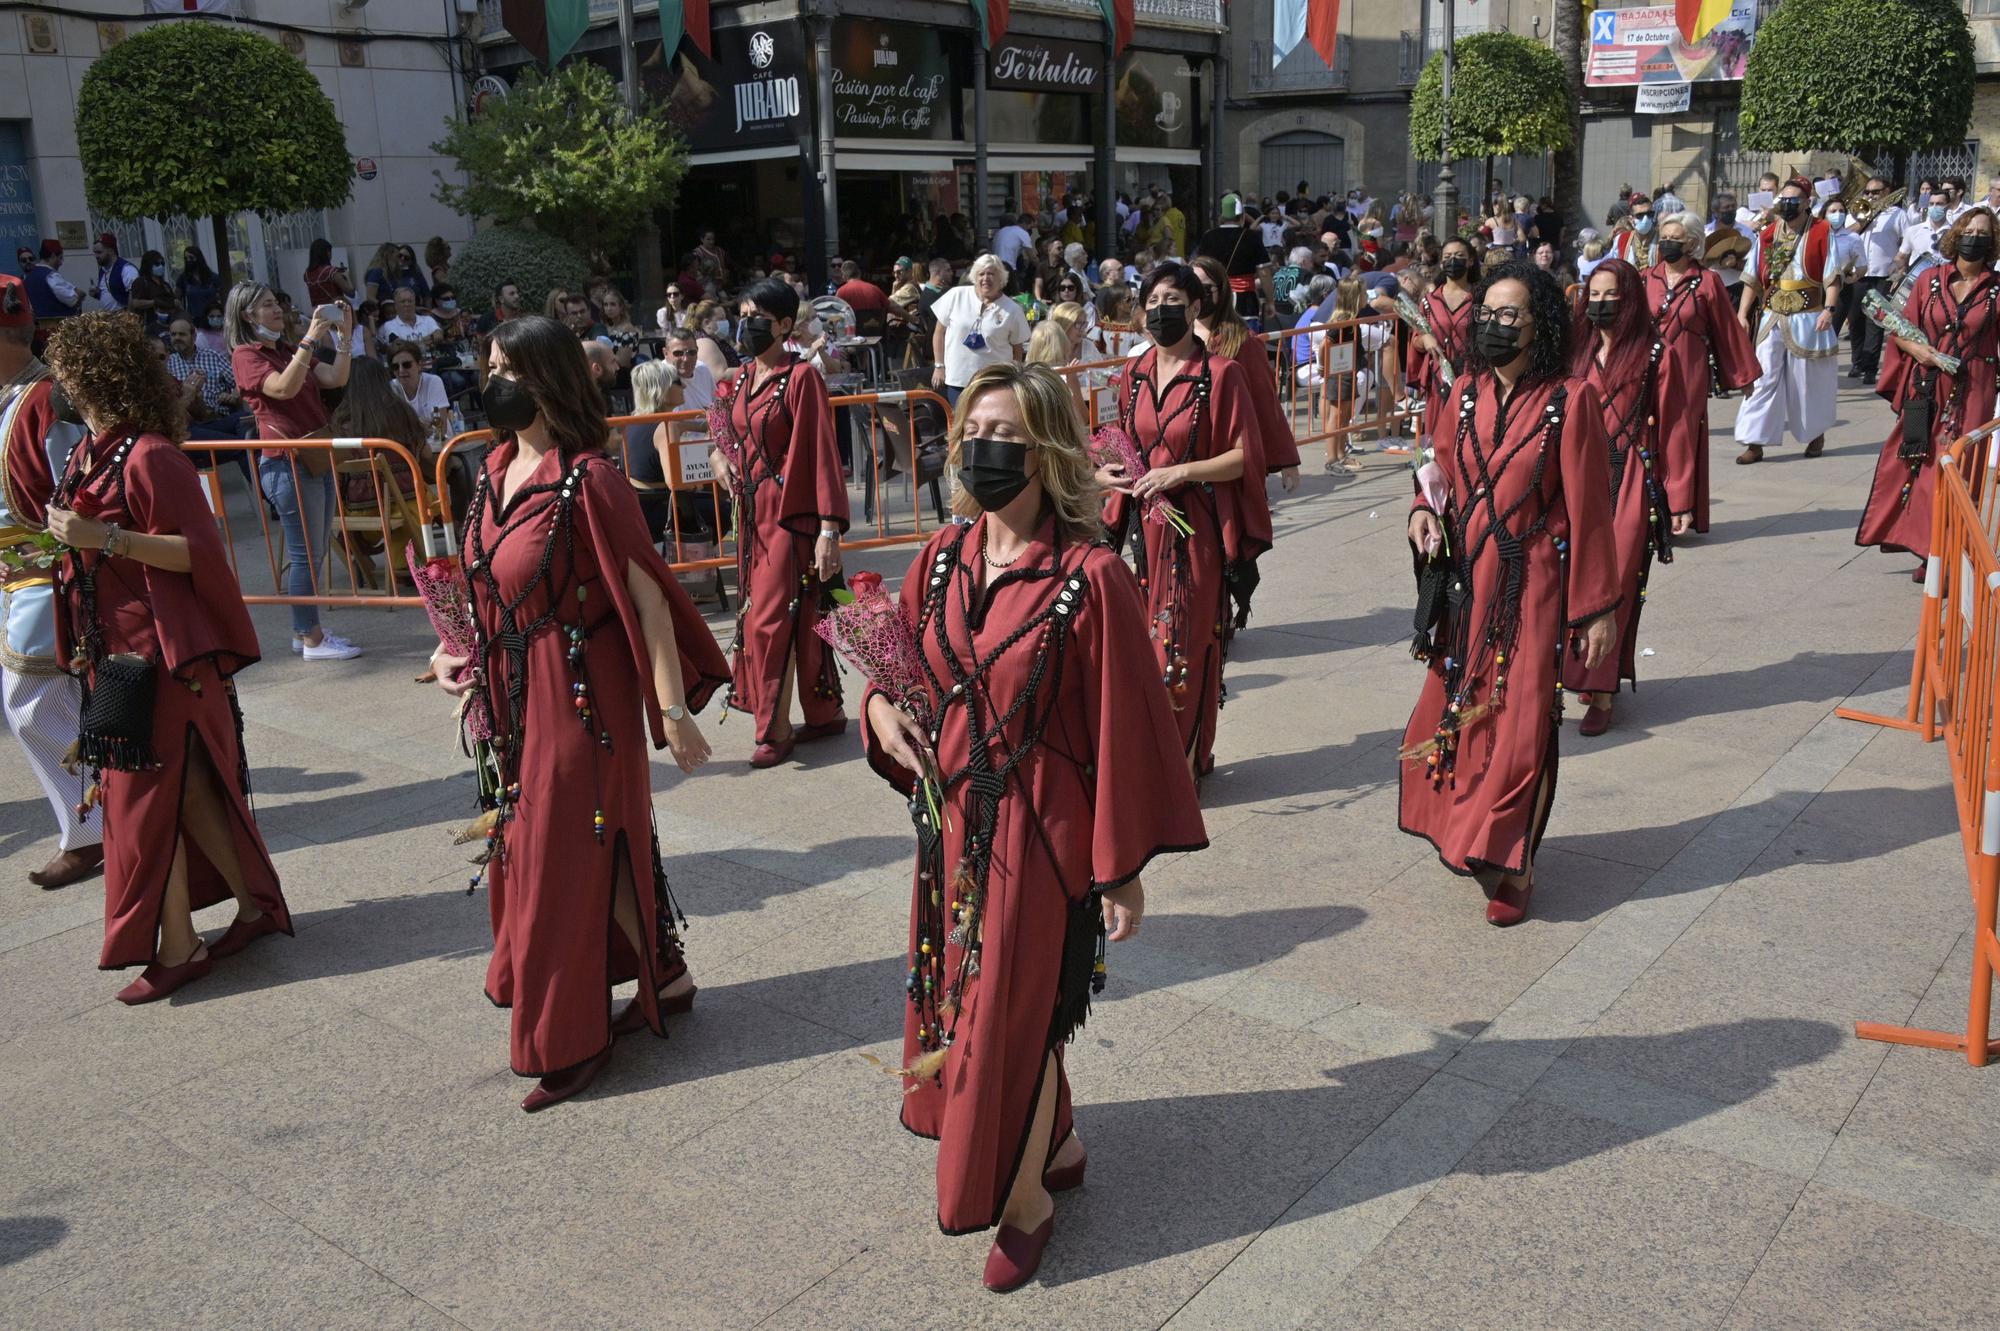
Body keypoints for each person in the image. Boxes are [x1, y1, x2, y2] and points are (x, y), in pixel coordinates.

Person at [862, 360, 1205, 1291]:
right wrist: (882, 711)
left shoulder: (1092, 577)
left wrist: (1122, 868)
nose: (986, 448)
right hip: (950, 827)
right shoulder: (939, 559)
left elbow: (1128, 728)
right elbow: (904, 676)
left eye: (1009, 434)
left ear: (1049, 448)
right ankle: (1057, 1142)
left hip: (1039, 839)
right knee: (977, 1000)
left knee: (1000, 1020)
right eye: (976, 429)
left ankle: (1024, 1200)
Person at [428, 315, 726, 1111]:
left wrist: (671, 709)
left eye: (511, 369)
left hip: (580, 694)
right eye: (490, 364)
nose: (494, 379)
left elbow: (650, 602)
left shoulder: (589, 479)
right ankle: (665, 974)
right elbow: (486, 583)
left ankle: (570, 1033)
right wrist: (456, 650)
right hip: (512, 690)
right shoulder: (491, 468)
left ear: (550, 380)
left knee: (557, 854)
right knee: (561, 843)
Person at [42, 312, 290, 1002]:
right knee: (185, 790)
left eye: (63, 373)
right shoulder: (84, 452)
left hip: (159, 655)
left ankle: (179, 945)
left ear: (91, 376)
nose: (55, 386)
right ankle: (250, 907)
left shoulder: (151, 454)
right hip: (110, 648)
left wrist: (104, 538)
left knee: (150, 797)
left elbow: (198, 553)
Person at [1402, 262, 1619, 925]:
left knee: (1524, 725)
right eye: (1488, 313)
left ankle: (1516, 861)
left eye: (1511, 315)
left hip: (1533, 585)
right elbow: (1436, 470)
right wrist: (1420, 509)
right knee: (1461, 714)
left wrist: (1597, 608)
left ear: (1542, 324)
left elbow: (1590, 511)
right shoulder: (1462, 391)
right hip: (1467, 582)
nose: (1495, 324)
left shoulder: (1571, 399)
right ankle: (1472, 833)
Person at [1104, 262, 1259, 781]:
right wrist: (1112, 471)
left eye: (1172, 300)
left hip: (1196, 527)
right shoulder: (1135, 371)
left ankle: (1182, 768)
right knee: (1148, 648)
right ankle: (1161, 761)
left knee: (1184, 646)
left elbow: (1243, 456)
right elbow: (1123, 439)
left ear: (1196, 307)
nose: (1160, 310)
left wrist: (1181, 472)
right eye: (1151, 302)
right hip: (1144, 529)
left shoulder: (1221, 373)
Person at [708, 278, 850, 767]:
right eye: (742, 314)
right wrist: (718, 457)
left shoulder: (801, 377)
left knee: (769, 620)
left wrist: (829, 529)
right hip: (751, 514)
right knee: (789, 612)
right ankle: (824, 711)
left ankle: (773, 727)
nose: (746, 325)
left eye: (758, 318)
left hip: (790, 514)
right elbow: (726, 434)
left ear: (785, 324)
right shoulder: (743, 377)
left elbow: (822, 453)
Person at [0, 274, 104, 889]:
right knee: (48, 703)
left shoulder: (46, 398)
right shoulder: (14, 395)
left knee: (32, 703)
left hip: (45, 571)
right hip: (16, 573)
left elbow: (77, 493)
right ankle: (97, 819)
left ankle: (94, 826)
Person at [1562, 259, 1674, 736]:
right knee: (1569, 577)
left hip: (1629, 476)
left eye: (1612, 296)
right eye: (1595, 294)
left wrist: (1677, 496)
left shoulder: (1654, 353)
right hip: (1578, 477)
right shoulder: (1576, 350)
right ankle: (1569, 674)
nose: (1602, 304)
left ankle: (1602, 691)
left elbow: (1676, 424)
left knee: (1616, 583)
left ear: (1630, 300)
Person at [1856, 208, 2000, 573]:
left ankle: (1950, 550)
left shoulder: (1997, 289)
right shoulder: (1928, 278)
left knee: (1962, 471)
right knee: (1922, 466)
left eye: (1983, 232)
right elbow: (1901, 329)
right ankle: (1928, 549)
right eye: (1969, 229)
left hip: (1975, 388)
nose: (1974, 237)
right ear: (1956, 235)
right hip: (1927, 385)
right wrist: (1922, 351)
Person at [226, 281, 364, 660]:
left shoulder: (287, 349)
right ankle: (312, 640)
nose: (277, 310)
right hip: (285, 464)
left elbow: (336, 377)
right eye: (267, 305)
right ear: (246, 314)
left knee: (315, 551)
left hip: (312, 457)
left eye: (276, 303)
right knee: (305, 554)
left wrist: (345, 338)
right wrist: (310, 339)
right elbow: (283, 389)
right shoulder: (246, 355)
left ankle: (303, 629)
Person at [1647, 212, 1760, 534]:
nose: (1667, 243)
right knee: (1647, 434)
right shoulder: (1645, 278)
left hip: (1688, 369)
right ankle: (1647, 507)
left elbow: (1727, 330)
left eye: (1675, 238)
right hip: (1649, 370)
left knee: (1680, 435)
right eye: (1664, 237)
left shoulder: (1708, 281)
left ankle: (1679, 508)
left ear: (1692, 243)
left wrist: (1743, 376)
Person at [1736, 178, 1841, 465]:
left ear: (1807, 202)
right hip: (1773, 315)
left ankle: (1815, 433)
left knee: (1806, 380)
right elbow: (1752, 278)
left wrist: (1829, 309)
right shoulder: (1768, 233)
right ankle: (1754, 442)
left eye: (1794, 199)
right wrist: (1742, 314)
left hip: (1808, 315)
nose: (1788, 204)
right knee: (1763, 377)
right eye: (1784, 199)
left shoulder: (1822, 231)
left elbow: (1832, 275)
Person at [1407, 237, 1480, 452]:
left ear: (1470, 261)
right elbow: (1416, 343)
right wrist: (1424, 339)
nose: (1453, 261)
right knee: (1438, 441)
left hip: (1472, 376)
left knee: (1469, 438)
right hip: (1439, 379)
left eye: (1459, 256)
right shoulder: (1429, 301)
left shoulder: (1481, 298)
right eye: (1447, 257)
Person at [931, 255, 1031, 407]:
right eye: (981, 274)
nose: (986, 278)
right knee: (962, 426)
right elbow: (939, 332)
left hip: (995, 383)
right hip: (958, 380)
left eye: (991, 274)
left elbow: (1017, 348)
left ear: (1001, 279)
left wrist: (1014, 378)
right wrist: (939, 366)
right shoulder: (956, 295)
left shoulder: (1013, 310)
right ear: (974, 276)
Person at [1850, 178, 1909, 385]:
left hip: (1884, 274)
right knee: (1855, 320)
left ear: (1887, 191)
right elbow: (1847, 235)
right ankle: (1856, 361)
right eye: (1867, 192)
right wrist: (1864, 219)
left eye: (1875, 192)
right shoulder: (1860, 213)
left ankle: (1869, 367)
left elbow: (1906, 242)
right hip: (1859, 273)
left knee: (1875, 321)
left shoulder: (1898, 214)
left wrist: (1900, 270)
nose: (1870, 196)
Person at [165, 314, 249, 439]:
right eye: (173, 334)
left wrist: (233, 395)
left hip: (218, 418)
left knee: (246, 419)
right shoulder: (168, 363)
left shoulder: (213, 356)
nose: (177, 338)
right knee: (240, 446)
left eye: (182, 334)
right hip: (190, 424)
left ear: (194, 336)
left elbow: (239, 381)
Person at [1194, 196, 1269, 328]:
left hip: (1215, 300)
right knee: (1247, 343)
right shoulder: (1251, 237)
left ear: (1221, 217)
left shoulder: (1208, 237)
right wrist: (1271, 301)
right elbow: (1264, 273)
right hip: (1245, 301)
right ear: (1242, 217)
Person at [22, 240, 82, 345]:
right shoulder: (50, 275)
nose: (61, 263)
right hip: (60, 331)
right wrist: (80, 295)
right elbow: (72, 300)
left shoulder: (28, 278)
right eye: (60, 258)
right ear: (53, 256)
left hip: (42, 333)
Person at [388, 342, 452, 430]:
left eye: (407, 365)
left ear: (419, 365)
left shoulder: (433, 382)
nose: (401, 370)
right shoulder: (392, 388)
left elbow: (440, 428)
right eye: (395, 366)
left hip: (439, 441)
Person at [377, 285, 443, 356]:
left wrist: (409, 343)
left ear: (415, 303)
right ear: (396, 306)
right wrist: (430, 338)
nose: (407, 304)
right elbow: (399, 346)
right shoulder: (389, 325)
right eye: (403, 302)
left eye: (410, 301)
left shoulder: (428, 319)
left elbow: (439, 336)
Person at [689, 299, 740, 385]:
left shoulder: (716, 338)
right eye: (721, 319)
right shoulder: (704, 342)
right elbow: (721, 375)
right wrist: (753, 369)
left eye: (725, 318)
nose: (726, 322)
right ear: (707, 323)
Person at [125, 250, 176, 334]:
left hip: (167, 326)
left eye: (162, 264)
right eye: (157, 264)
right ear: (149, 265)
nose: (161, 267)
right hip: (148, 326)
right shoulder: (141, 282)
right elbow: (135, 303)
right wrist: (155, 302)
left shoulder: (165, 285)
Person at [1610, 191, 1659, 270]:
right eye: (1640, 215)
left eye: (1649, 214)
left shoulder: (1662, 239)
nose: (1645, 219)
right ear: (1631, 219)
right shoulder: (1620, 240)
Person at [90, 234, 138, 312]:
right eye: (95, 252)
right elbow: (111, 294)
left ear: (111, 251)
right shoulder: (103, 270)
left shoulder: (127, 269)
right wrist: (97, 294)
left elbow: (134, 295)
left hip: (123, 317)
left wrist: (128, 318)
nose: (96, 256)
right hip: (108, 317)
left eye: (99, 252)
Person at [174, 247, 219, 325]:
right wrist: (184, 314)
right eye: (186, 258)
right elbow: (176, 299)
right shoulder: (183, 278)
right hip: (194, 320)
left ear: (198, 258)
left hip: (213, 319)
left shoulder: (212, 277)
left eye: (191, 258)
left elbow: (221, 296)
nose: (188, 260)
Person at [303, 239, 353, 308]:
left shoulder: (307, 275)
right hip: (337, 310)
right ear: (327, 252)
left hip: (319, 312)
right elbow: (351, 293)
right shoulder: (331, 272)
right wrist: (347, 276)